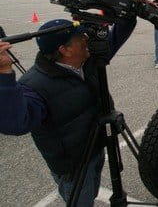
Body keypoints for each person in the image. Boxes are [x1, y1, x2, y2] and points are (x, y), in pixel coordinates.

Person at [0, 17, 136, 206]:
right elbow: (16, 123)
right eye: (81, 38)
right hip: (73, 167)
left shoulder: (88, 61)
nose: (88, 40)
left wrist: (128, 11)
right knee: (82, 202)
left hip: (96, 148)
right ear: (64, 50)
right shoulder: (35, 85)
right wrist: (4, 73)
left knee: (93, 191)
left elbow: (116, 36)